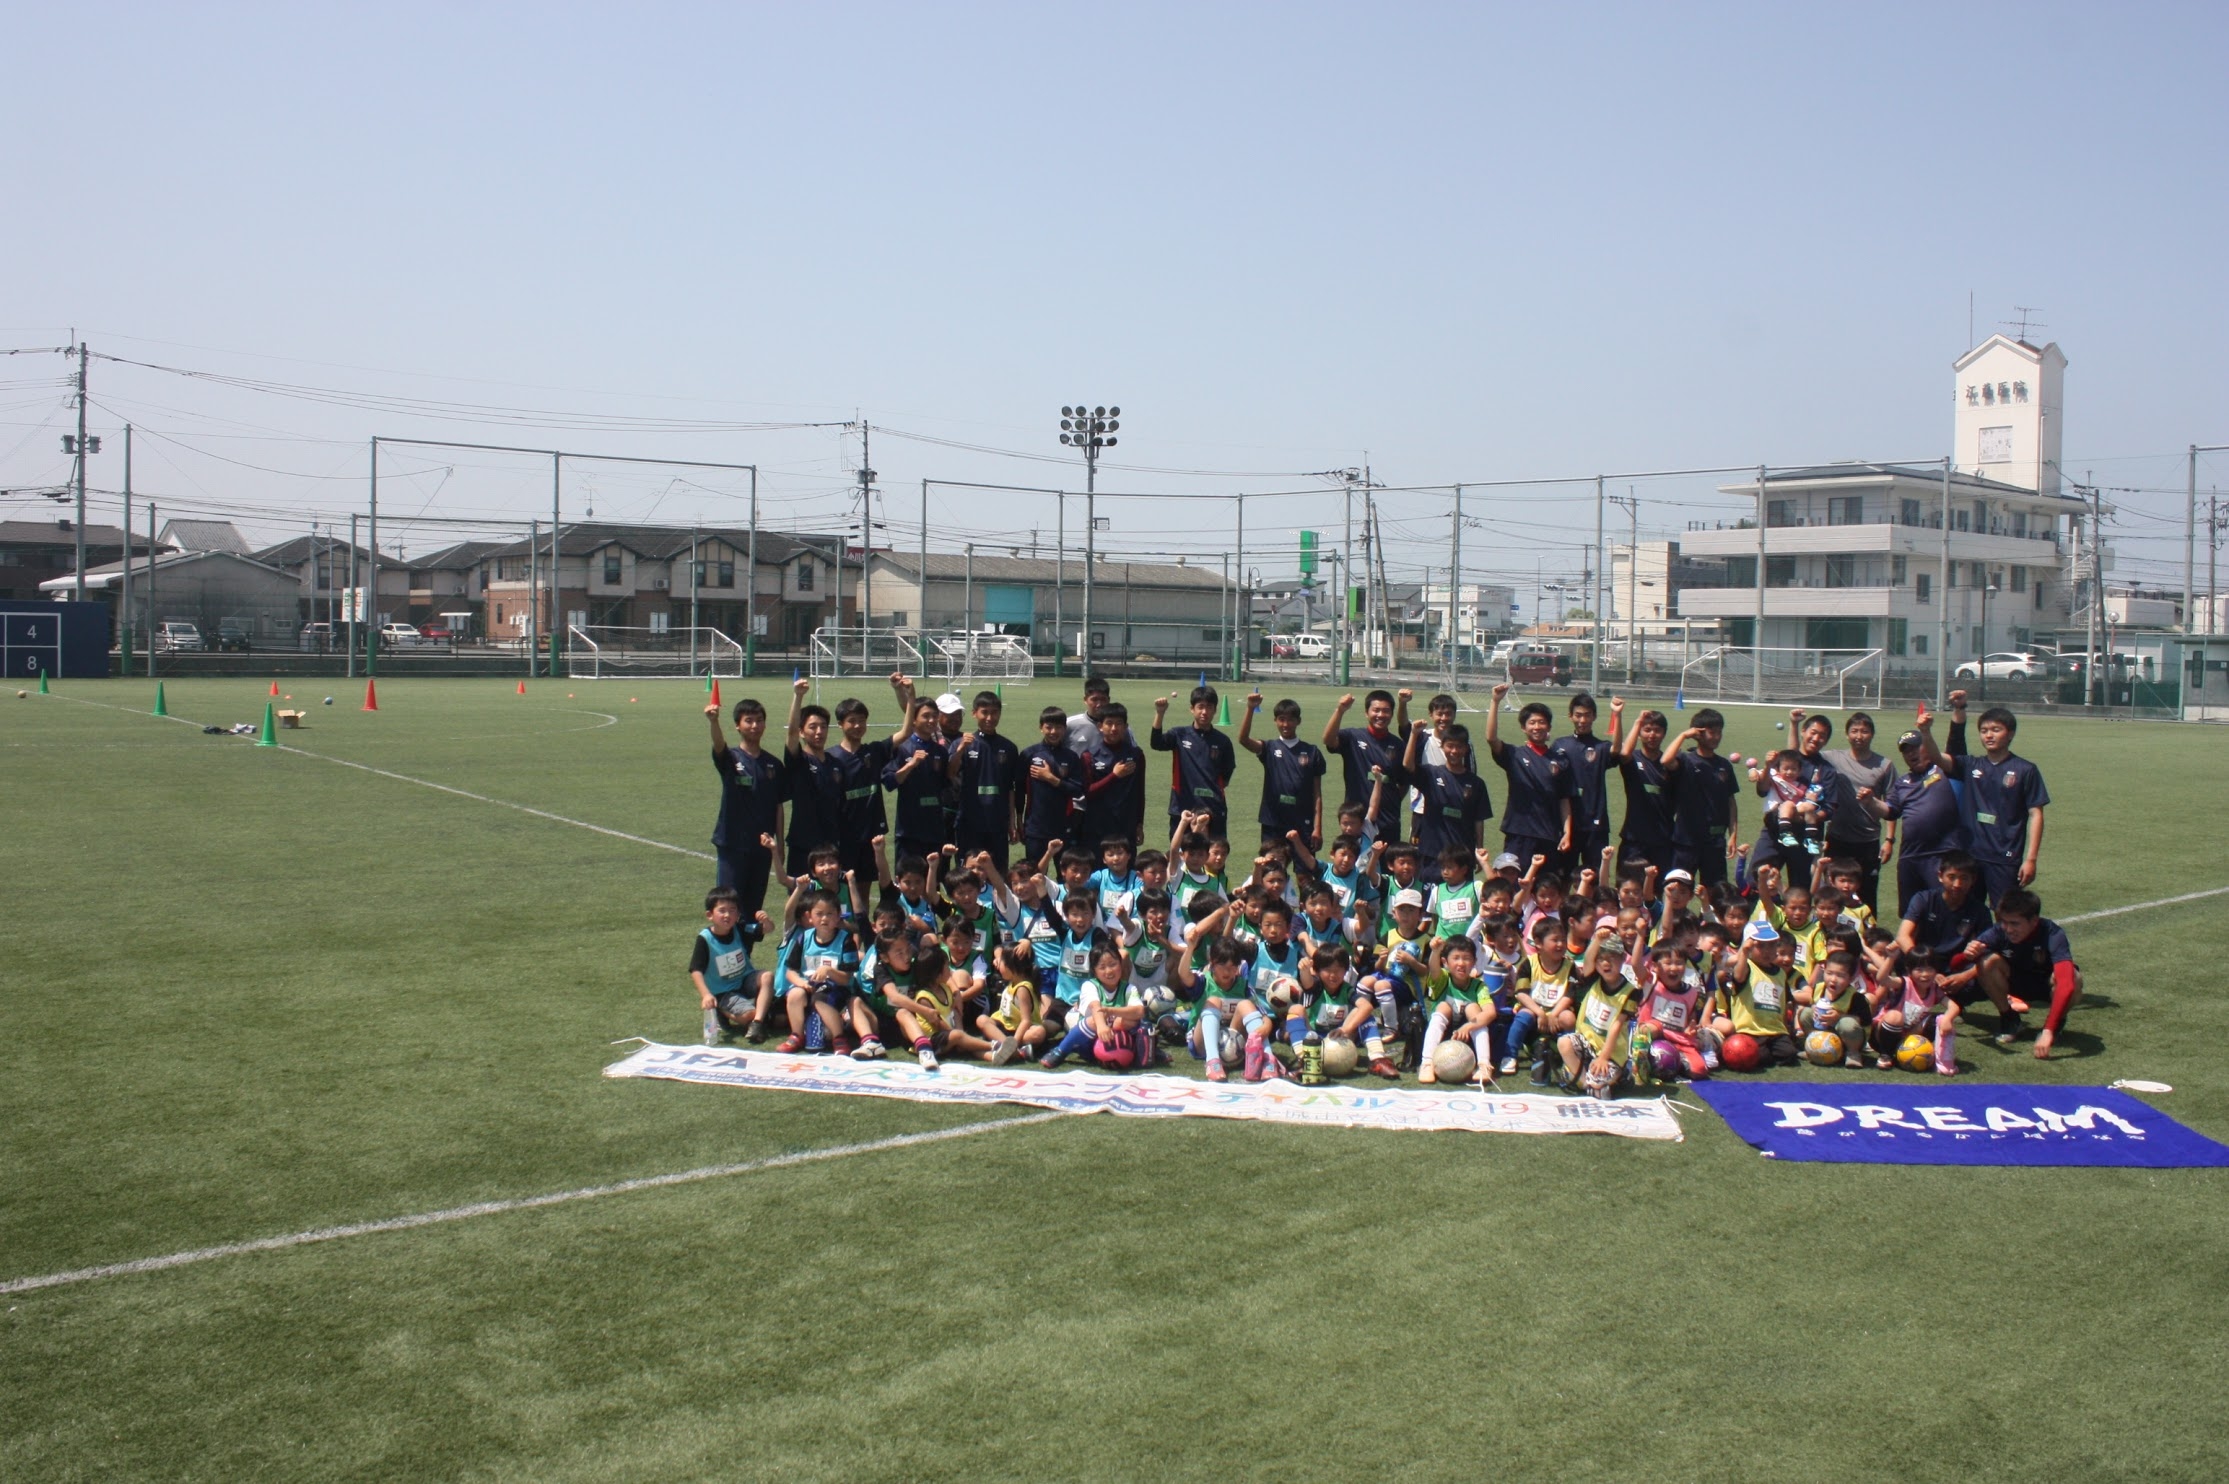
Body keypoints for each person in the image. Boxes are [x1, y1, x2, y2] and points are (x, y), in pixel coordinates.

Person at [1917, 690, 2049, 908]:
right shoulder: (1971, 765)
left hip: (2005, 857)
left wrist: (2031, 859)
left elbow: (2036, 815)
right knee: (1966, 911)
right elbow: (1937, 758)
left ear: (2010, 734)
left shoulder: (2025, 770)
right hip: (1971, 857)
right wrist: (1925, 732)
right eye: (1984, 731)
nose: (1989, 735)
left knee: (2004, 912)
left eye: (1996, 730)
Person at [1861, 724, 1967, 915]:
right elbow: (1890, 811)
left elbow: (1957, 744)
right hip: (1911, 857)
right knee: (1912, 911)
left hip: (1942, 854)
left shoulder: (1944, 771)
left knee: (1942, 907)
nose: (1911, 754)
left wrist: (1957, 712)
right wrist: (1870, 802)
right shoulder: (1903, 782)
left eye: (1916, 748)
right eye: (1906, 751)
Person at [1966, 888, 2082, 1059]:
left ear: (2034, 921)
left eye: (2015, 923)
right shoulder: (2000, 931)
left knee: (2074, 977)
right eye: (2005, 922)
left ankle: (2055, 1024)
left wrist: (2048, 1030)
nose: (2008, 929)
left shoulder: (2053, 933)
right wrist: (1966, 954)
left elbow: (2066, 983)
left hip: (2045, 986)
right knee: (1985, 962)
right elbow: (1959, 963)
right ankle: (2010, 1019)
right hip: (2015, 985)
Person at [706, 696, 785, 932]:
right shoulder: (731, 759)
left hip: (761, 849)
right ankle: (726, 960)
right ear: (737, 726)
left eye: (759, 720)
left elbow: (778, 806)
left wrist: (779, 845)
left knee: (753, 910)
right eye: (748, 721)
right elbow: (718, 746)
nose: (754, 726)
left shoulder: (773, 764)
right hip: (732, 845)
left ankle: (745, 960)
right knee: (728, 906)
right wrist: (713, 722)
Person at [828, 673, 913, 883]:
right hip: (843, 835)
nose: (858, 726)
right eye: (852, 721)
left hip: (871, 835)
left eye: (862, 721)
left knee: (865, 885)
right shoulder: (831, 758)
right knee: (841, 888)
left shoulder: (874, 751)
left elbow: (907, 732)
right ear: (840, 724)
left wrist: (907, 696)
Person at [1808, 709, 1894, 913]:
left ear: (1871, 734)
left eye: (1864, 731)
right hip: (1837, 839)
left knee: (1867, 895)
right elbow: (1801, 754)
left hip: (1868, 842)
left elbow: (1892, 806)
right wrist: (1795, 726)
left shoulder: (1884, 765)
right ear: (1847, 734)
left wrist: (1890, 840)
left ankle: (1866, 938)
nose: (1859, 736)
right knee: (1831, 896)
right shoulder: (1832, 758)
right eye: (1854, 731)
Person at [1483, 684, 1574, 868]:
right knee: (1515, 885)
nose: (1537, 727)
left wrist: (1567, 832)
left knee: (1545, 890)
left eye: (1541, 722)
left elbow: (1564, 799)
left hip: (1549, 834)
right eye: (1532, 723)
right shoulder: (1514, 755)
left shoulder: (1561, 761)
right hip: (1519, 833)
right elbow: (1491, 739)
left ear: (1549, 726)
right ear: (1523, 728)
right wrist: (1495, 701)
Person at [1402, 717, 1492, 879]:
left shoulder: (1476, 784)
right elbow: (1408, 766)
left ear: (1466, 749)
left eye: (1459, 747)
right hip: (1432, 852)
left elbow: (1479, 820)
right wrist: (1414, 735)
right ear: (1442, 746)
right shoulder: (1431, 774)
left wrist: (1479, 848)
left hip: (1461, 855)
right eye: (1450, 746)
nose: (1454, 751)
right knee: (1428, 901)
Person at [1660, 707, 1738, 890]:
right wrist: (1685, 735)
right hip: (1686, 841)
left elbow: (1731, 802)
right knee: (1677, 890)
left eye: (1719, 732)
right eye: (1712, 732)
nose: (1717, 737)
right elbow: (1665, 761)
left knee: (1716, 893)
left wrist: (1733, 834)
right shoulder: (1685, 760)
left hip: (1714, 842)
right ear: (1699, 733)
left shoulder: (1724, 765)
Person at [1238, 691, 1327, 851]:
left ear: (1298, 721)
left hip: (1302, 822)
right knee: (1271, 868)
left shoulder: (1312, 752)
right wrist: (1250, 708)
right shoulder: (1269, 748)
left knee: (1304, 875)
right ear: (1275, 721)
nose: (1286, 724)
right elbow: (1243, 740)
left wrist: (1317, 827)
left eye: (1291, 720)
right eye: (1281, 719)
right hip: (1273, 821)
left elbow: (1317, 794)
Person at [1323, 687, 1411, 845]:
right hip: (1357, 820)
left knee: (1386, 868)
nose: (1381, 715)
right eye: (1376, 710)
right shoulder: (1353, 737)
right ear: (1366, 712)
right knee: (1355, 865)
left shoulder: (1398, 745)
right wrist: (1340, 710)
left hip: (1388, 820)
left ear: (1391, 714)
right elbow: (1329, 740)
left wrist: (1392, 800)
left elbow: (1404, 782)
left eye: (1386, 711)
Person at [690, 886, 775, 1045]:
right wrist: (706, 995)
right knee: (749, 1015)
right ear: (710, 915)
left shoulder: (739, 928)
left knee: (767, 976)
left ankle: (757, 1024)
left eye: (732, 910)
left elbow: (767, 930)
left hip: (744, 980)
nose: (727, 915)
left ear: (738, 914)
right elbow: (696, 970)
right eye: (722, 911)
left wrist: (766, 922)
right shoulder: (705, 939)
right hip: (723, 991)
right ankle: (723, 1011)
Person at [1149, 685, 1236, 841]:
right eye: (1200, 707)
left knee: (1213, 857)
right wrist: (1160, 713)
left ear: (1215, 710)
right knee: (1180, 856)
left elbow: (1227, 773)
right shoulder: (1179, 734)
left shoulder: (1223, 741)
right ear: (1192, 709)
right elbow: (1156, 743)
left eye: (1209, 707)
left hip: (1213, 808)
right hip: (1182, 807)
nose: (1204, 712)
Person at [947, 689, 1019, 873]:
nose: (989, 718)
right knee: (968, 874)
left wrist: (1012, 822)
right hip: (969, 821)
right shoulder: (961, 743)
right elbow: (950, 772)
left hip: (997, 822)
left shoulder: (1009, 747)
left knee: (998, 872)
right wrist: (962, 749)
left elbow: (1010, 787)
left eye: (994, 712)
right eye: (984, 712)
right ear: (974, 714)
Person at [781, 678, 846, 883]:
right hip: (803, 844)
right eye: (812, 727)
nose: (819, 732)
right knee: (800, 899)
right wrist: (798, 696)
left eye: (823, 727)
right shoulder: (798, 760)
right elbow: (790, 733)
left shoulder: (836, 764)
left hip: (831, 846)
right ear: (802, 731)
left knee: (830, 901)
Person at [1549, 692, 1616, 875]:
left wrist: (1617, 715)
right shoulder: (1560, 744)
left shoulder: (1601, 747)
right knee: (1562, 878)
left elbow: (1619, 751)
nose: (1583, 720)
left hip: (1596, 824)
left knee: (1593, 877)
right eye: (1578, 715)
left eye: (1587, 715)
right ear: (1570, 716)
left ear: (1594, 716)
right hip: (1566, 824)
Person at [1015, 705, 1085, 867]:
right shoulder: (1029, 754)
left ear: (1065, 729)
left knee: (1066, 875)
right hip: (1035, 828)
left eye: (1058, 727)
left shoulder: (1071, 757)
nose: (1053, 732)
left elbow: (1078, 790)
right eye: (1049, 727)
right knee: (1035, 875)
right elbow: (1019, 790)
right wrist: (1019, 820)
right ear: (1041, 728)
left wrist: (1051, 779)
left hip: (1064, 828)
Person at [882, 697, 951, 862]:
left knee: (933, 881)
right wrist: (910, 765)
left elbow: (944, 785)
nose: (932, 720)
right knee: (909, 881)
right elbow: (890, 783)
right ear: (913, 719)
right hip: (908, 831)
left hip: (934, 830)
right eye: (926, 716)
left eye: (935, 716)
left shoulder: (940, 752)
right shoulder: (901, 748)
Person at [1612, 702, 1676, 875]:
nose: (1652, 735)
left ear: (1664, 734)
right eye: (1647, 730)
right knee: (1627, 886)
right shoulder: (1633, 759)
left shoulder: (1669, 763)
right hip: (1634, 837)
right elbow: (1624, 753)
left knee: (1659, 889)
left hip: (1663, 838)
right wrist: (1637, 722)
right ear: (1640, 733)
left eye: (1657, 730)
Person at [1081, 702, 1146, 850]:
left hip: (1126, 824)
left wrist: (1139, 824)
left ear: (1126, 726)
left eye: (1119, 724)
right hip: (1097, 825)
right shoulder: (1089, 756)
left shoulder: (1136, 755)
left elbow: (1139, 792)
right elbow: (1088, 792)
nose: (1114, 729)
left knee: (1127, 870)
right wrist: (1114, 776)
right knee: (1097, 871)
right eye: (1109, 724)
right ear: (1100, 726)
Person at [1066, 675, 1112, 755]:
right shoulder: (1069, 724)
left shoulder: (1118, 726)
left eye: (1103, 699)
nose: (1099, 704)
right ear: (1085, 700)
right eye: (1094, 700)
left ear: (1109, 700)